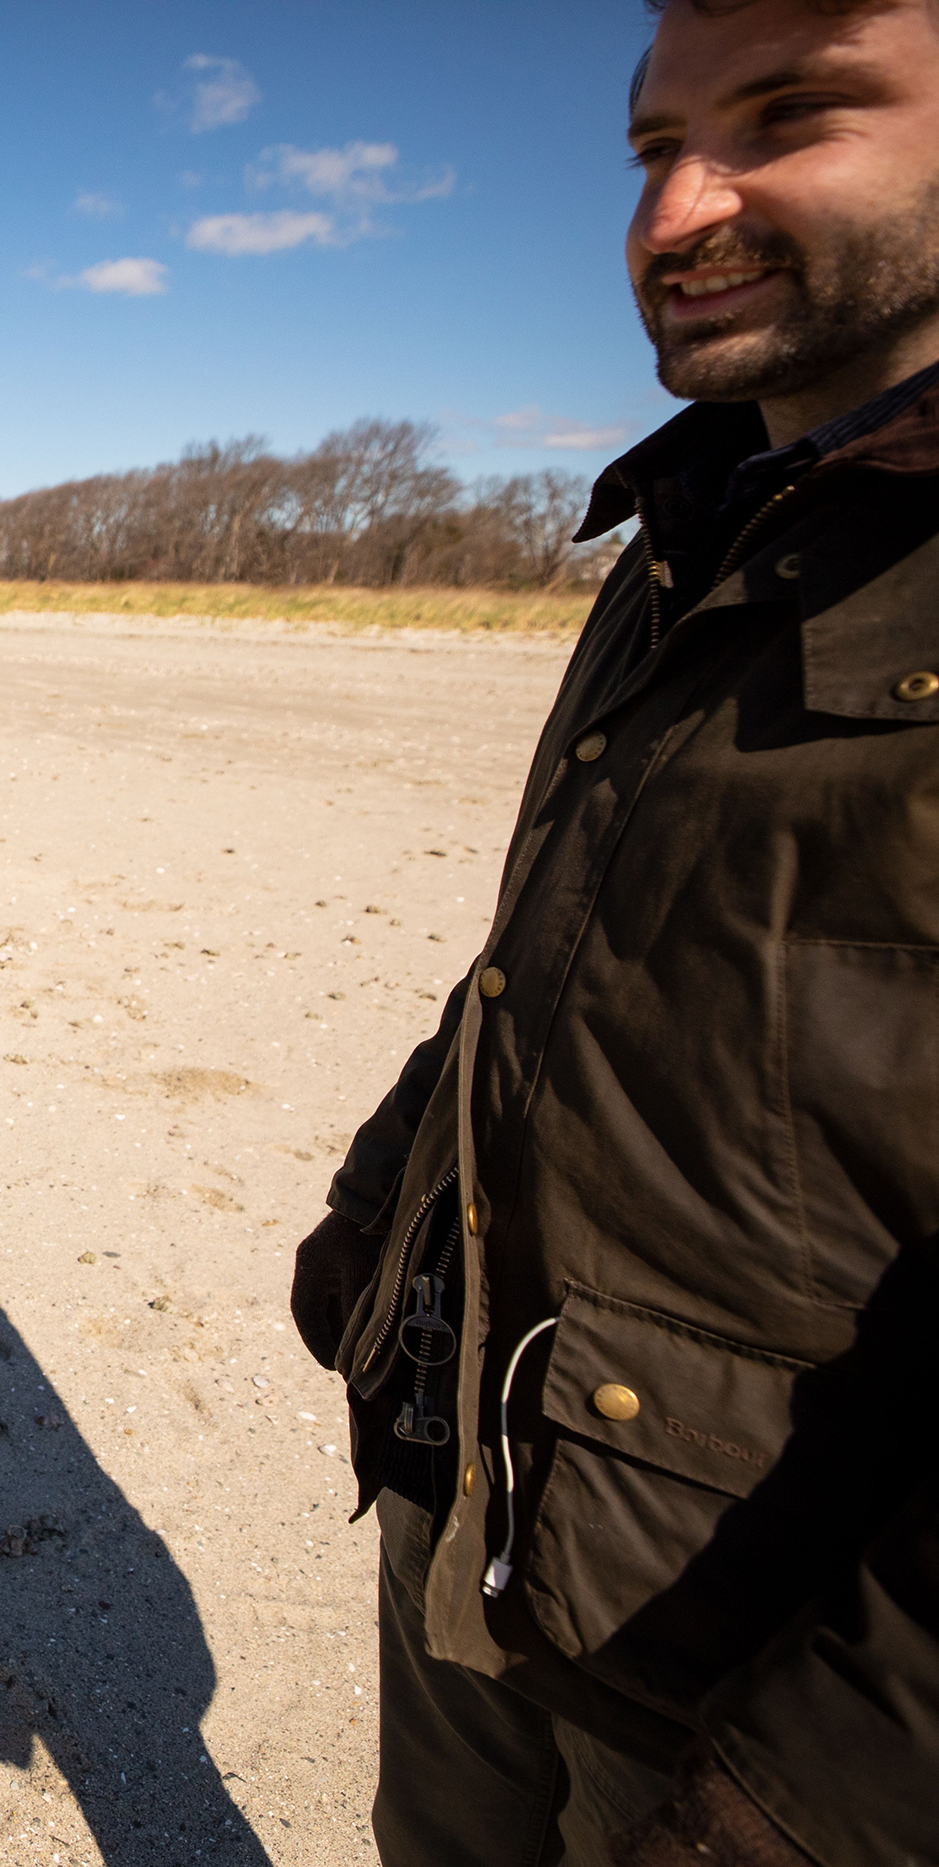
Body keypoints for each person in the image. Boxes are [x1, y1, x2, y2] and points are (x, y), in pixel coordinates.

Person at [289, 1, 939, 1860]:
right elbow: (565, 954)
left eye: (794, 113)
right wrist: (377, 1225)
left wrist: (814, 1805)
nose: (680, 210)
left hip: (749, 1675)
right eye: (656, 146)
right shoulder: (698, 524)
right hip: (499, 1518)